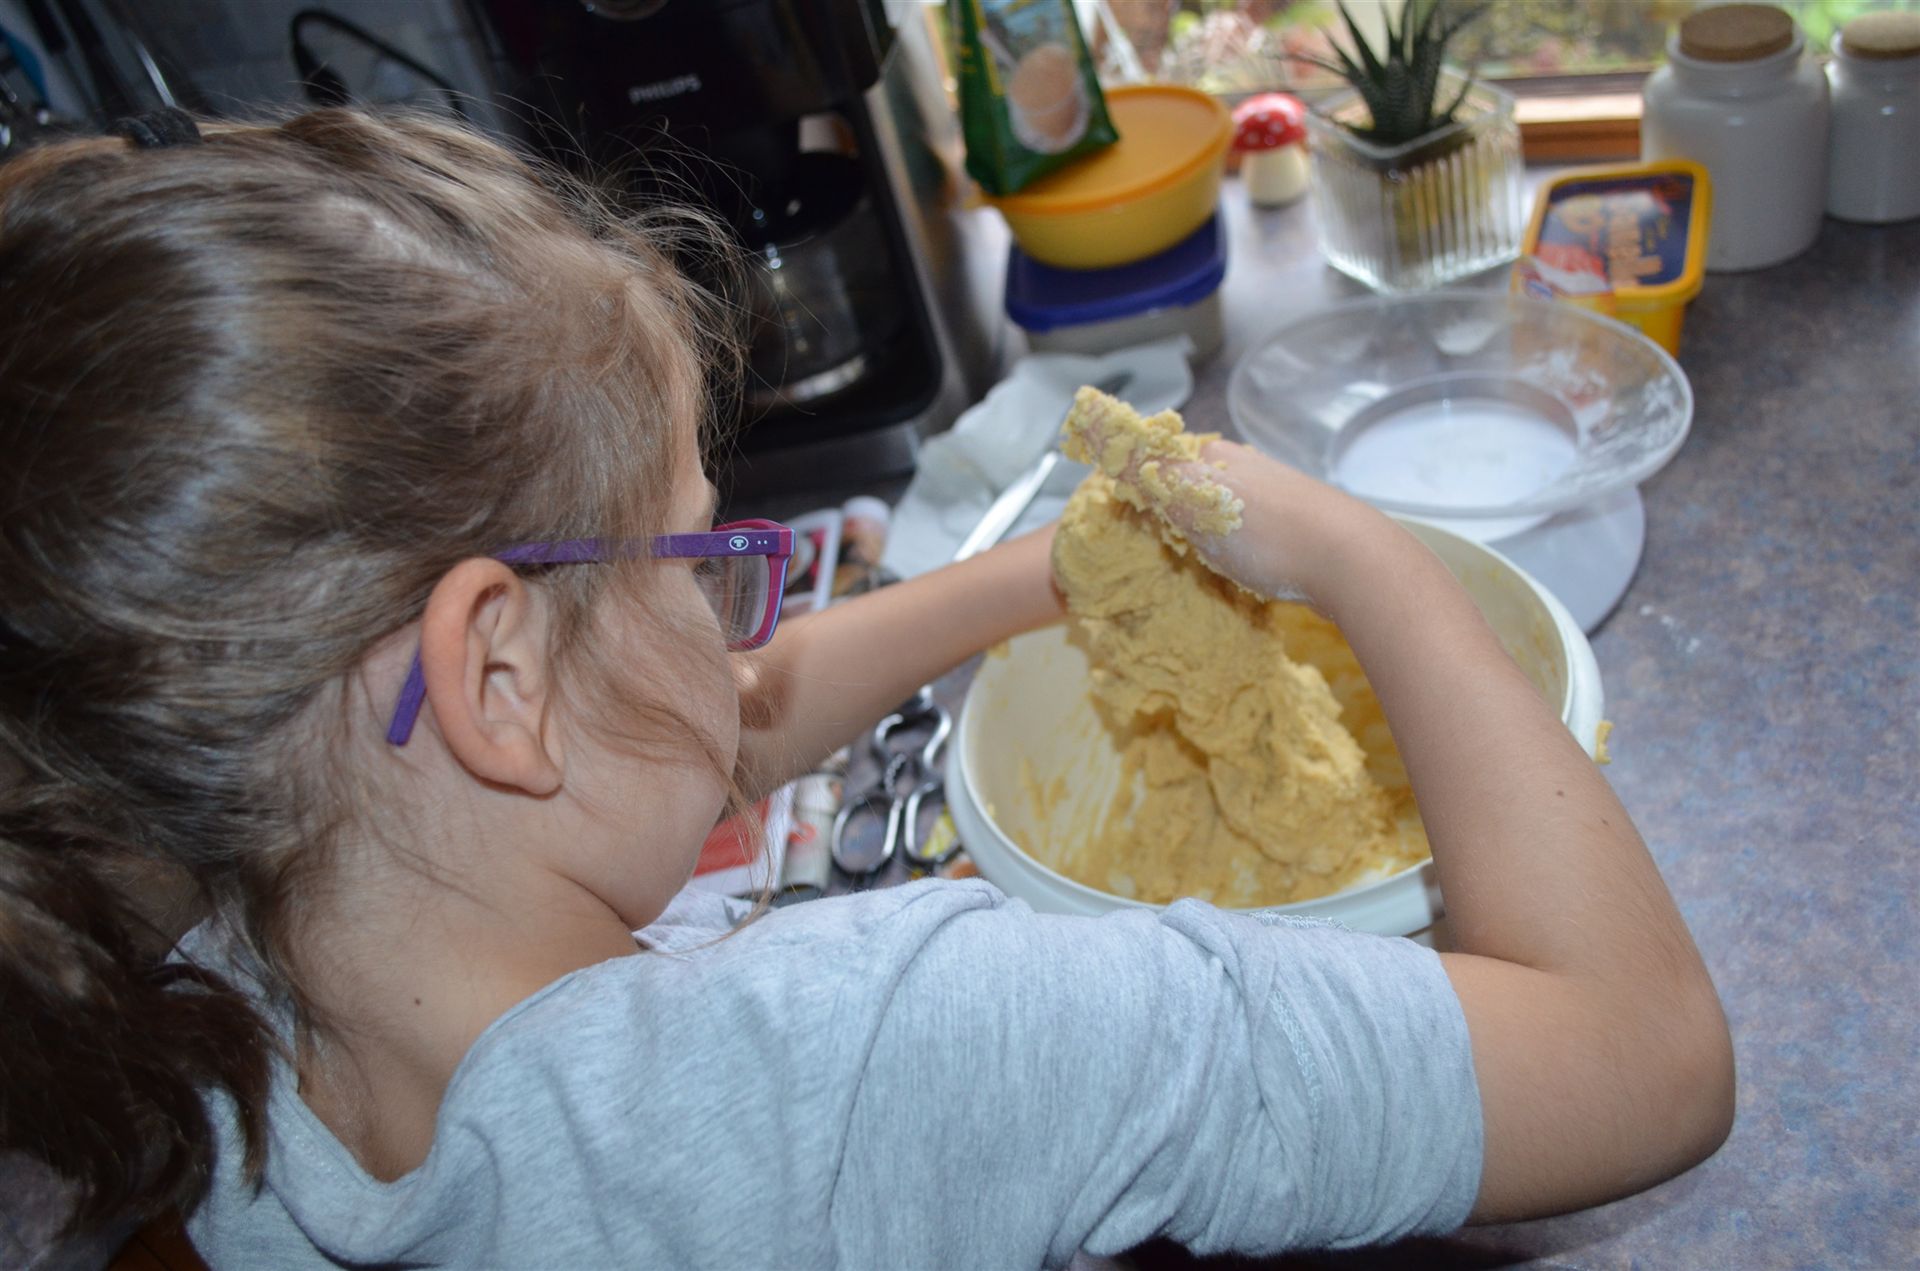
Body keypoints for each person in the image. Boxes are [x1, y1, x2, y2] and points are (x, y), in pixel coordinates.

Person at [0, 109, 1733, 1269]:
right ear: (496, 678)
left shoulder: (208, 1018)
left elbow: (696, 719)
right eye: (700, 555)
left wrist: (1053, 573)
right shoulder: (897, 1048)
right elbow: (1643, 1060)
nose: (734, 619)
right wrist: (1372, 561)